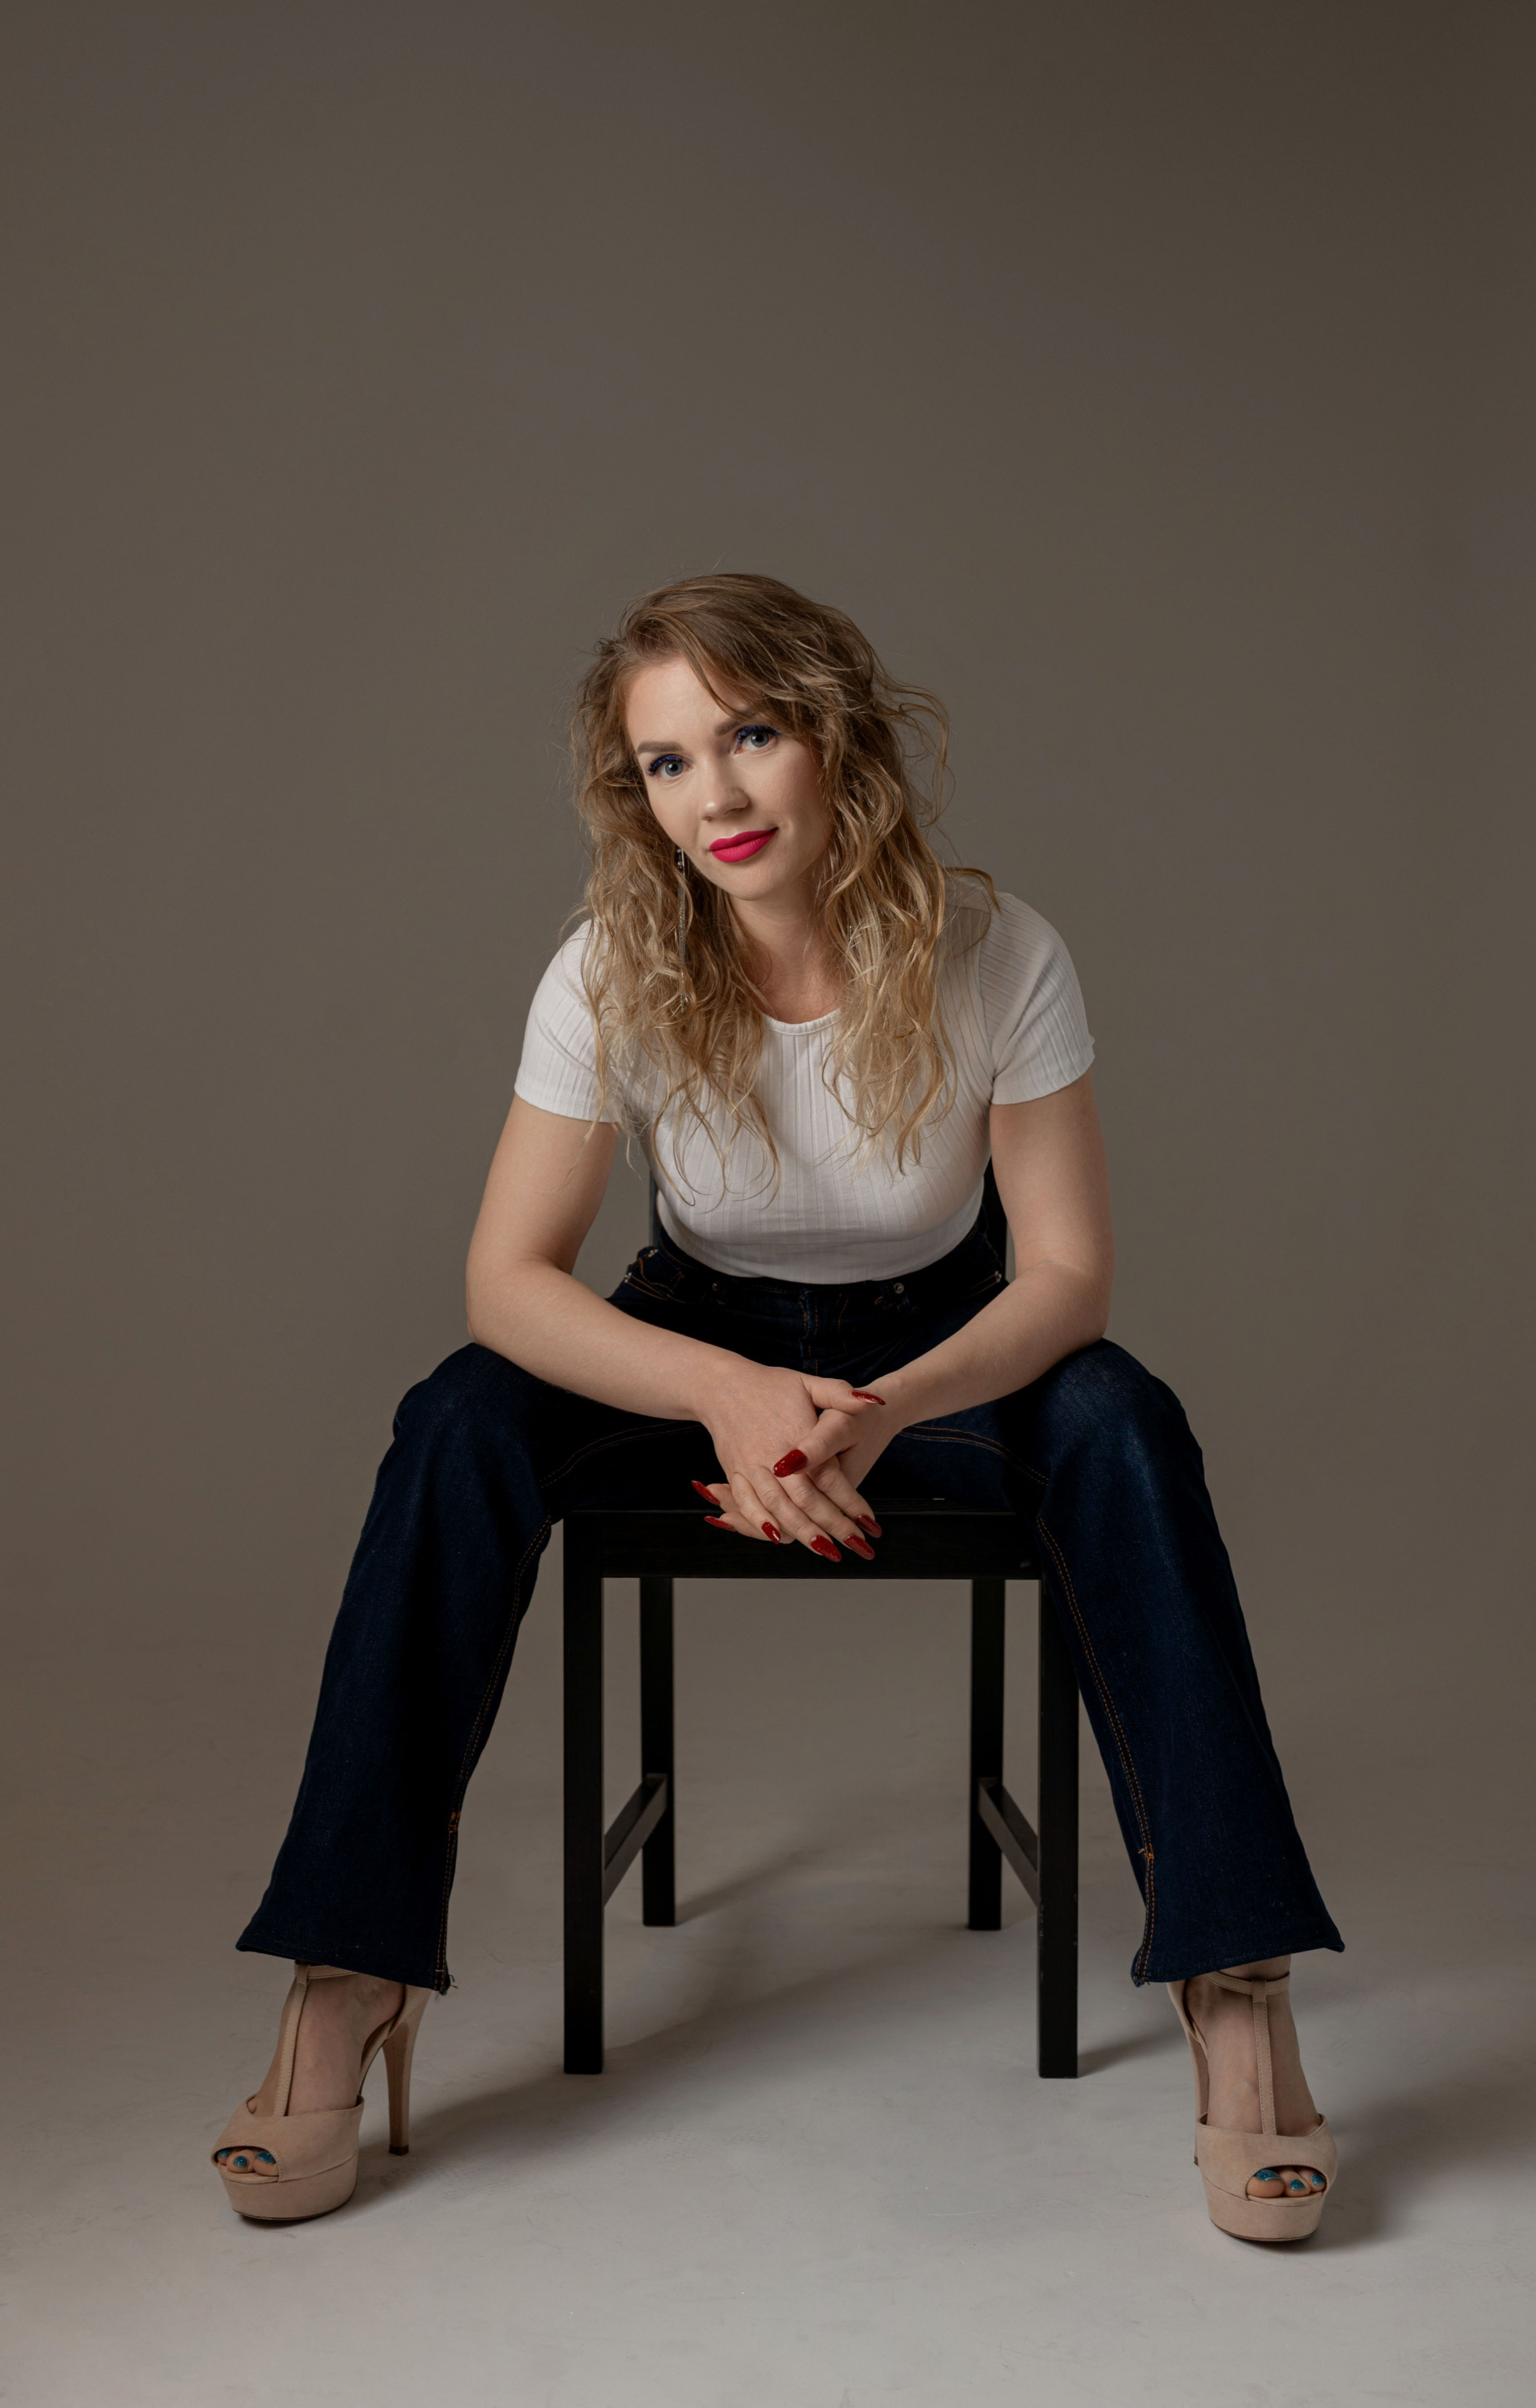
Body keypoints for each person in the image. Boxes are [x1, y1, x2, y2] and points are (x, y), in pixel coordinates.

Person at [213, 572, 1342, 2241]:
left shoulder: (999, 951)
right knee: (456, 1419)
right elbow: (508, 1283)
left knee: (1128, 1422)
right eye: (667, 763)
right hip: (698, 1336)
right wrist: (731, 1396)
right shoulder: (611, 965)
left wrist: (878, 1410)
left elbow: (1065, 1278)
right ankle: (347, 1975)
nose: (716, 797)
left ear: (836, 736)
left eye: (750, 736)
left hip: (941, 1348)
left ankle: (1235, 1986)